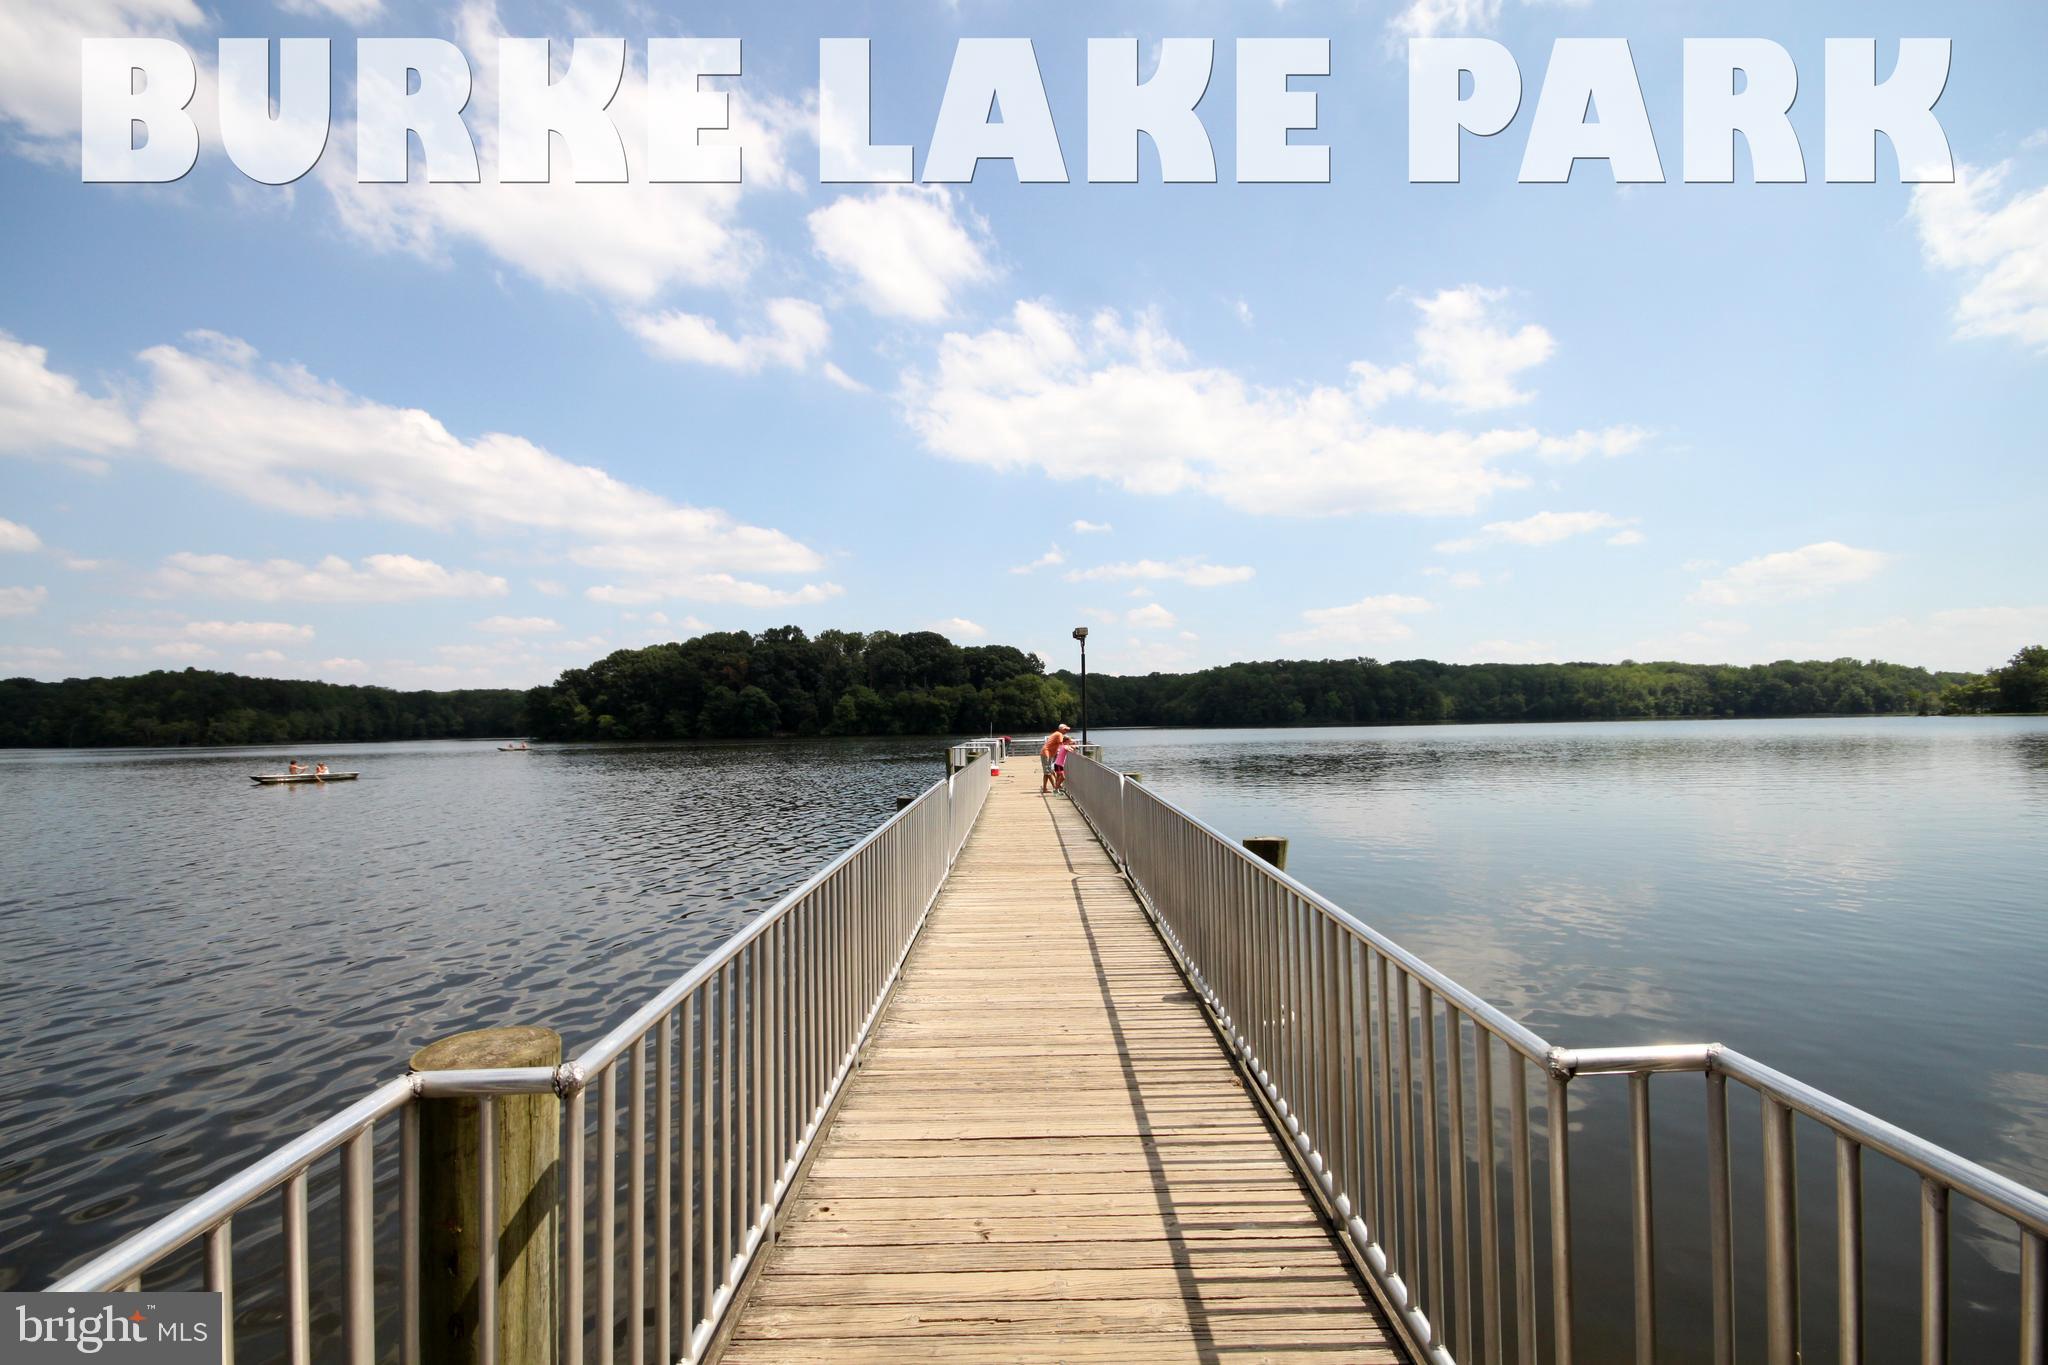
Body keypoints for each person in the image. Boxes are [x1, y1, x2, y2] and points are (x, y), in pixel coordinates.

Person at [1039, 723, 1070, 794]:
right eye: (1065, 730)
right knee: (1048, 772)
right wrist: (1070, 746)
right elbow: (1062, 744)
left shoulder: (1057, 734)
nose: (1066, 731)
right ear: (1061, 729)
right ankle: (1055, 787)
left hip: (1047, 754)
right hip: (1046, 754)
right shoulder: (1059, 734)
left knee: (1046, 772)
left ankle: (1044, 788)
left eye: (1067, 730)